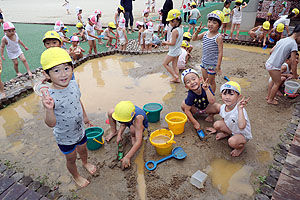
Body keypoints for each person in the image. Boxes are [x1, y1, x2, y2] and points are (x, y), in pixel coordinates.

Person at [40, 47, 96, 187]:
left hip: (79, 129)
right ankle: (76, 176)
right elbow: (51, 123)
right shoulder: (49, 96)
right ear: (47, 74)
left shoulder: (73, 84)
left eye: (66, 68)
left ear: (72, 68)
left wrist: (85, 117)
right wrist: (48, 109)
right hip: (65, 137)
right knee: (70, 159)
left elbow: (78, 101)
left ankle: (85, 162)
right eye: (56, 70)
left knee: (83, 149)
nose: (63, 74)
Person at [206, 81, 252, 157]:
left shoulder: (240, 110)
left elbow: (241, 126)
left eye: (231, 94)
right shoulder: (224, 107)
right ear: (221, 95)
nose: (227, 97)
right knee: (217, 124)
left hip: (242, 135)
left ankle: (240, 147)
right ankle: (227, 134)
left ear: (239, 97)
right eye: (224, 94)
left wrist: (240, 109)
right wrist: (217, 129)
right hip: (233, 130)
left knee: (232, 142)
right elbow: (226, 119)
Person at [105, 101, 148, 169]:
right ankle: (113, 131)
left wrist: (127, 156)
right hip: (128, 119)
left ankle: (133, 136)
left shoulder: (138, 119)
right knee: (110, 112)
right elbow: (123, 123)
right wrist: (119, 135)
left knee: (132, 129)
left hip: (137, 125)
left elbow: (139, 142)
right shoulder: (124, 112)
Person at [265, 25, 300, 105]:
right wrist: (295, 75)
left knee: (273, 81)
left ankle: (269, 96)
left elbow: (271, 51)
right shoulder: (293, 44)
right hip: (274, 66)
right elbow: (293, 62)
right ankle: (270, 100)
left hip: (269, 63)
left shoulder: (283, 40)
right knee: (277, 83)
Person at [192, 10, 224, 93]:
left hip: (212, 64)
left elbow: (220, 52)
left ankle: (211, 96)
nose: (210, 24)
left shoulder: (218, 37)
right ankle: (206, 94)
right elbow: (194, 39)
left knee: (211, 82)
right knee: (205, 80)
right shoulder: (205, 33)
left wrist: (218, 66)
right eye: (209, 21)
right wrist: (197, 32)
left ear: (219, 25)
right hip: (204, 62)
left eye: (214, 22)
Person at [162, 9, 183, 83]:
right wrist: (169, 42)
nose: (169, 23)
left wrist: (165, 43)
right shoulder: (181, 28)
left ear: (174, 21)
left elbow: (173, 43)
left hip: (173, 51)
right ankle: (177, 79)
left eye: (170, 21)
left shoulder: (174, 31)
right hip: (178, 50)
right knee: (175, 65)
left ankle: (175, 76)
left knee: (165, 63)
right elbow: (176, 41)